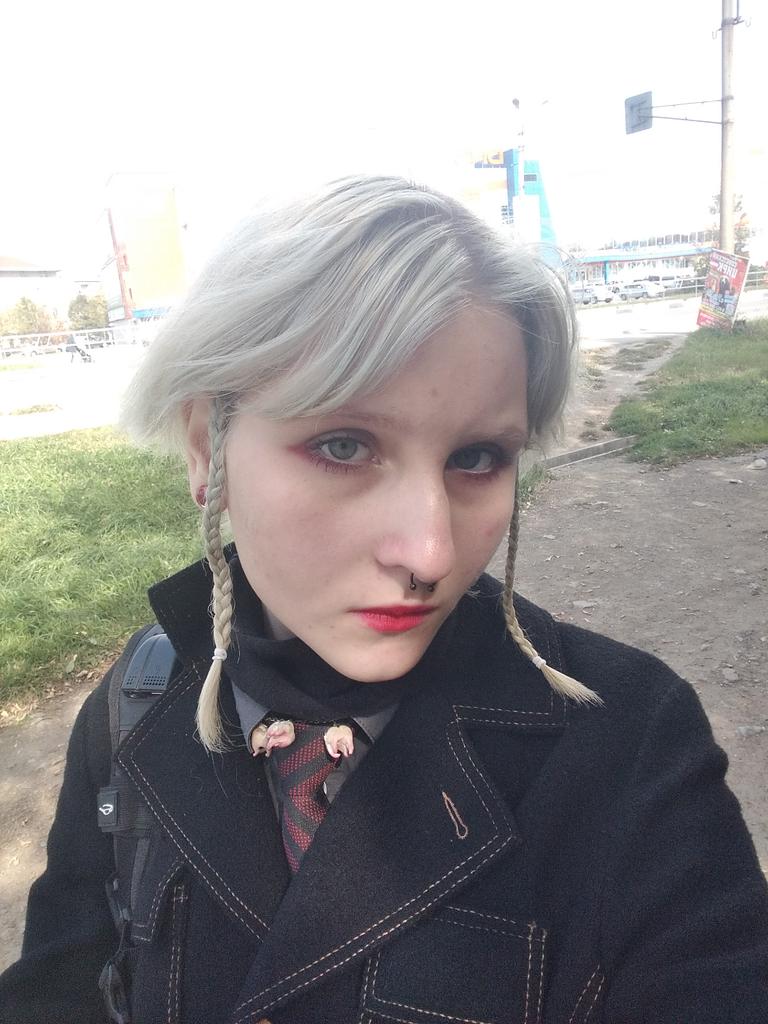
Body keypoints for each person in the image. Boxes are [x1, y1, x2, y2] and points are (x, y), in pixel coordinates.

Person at [1, 175, 766, 1024]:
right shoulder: (135, 705)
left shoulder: (633, 744)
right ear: (203, 451)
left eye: (477, 458)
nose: (431, 554)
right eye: (342, 446)